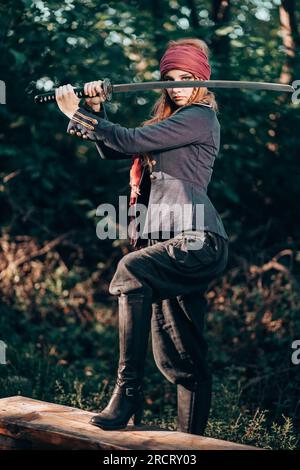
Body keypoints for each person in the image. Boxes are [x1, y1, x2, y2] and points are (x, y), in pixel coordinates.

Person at [55, 38, 229, 435]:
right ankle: (190, 445)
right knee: (180, 355)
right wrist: (96, 109)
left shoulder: (200, 117)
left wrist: (77, 112)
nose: (178, 85)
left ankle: (128, 391)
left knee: (131, 270)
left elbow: (127, 139)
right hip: (164, 244)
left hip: (198, 239)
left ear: (203, 80)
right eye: (170, 78)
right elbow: (117, 148)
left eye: (187, 77)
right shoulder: (168, 125)